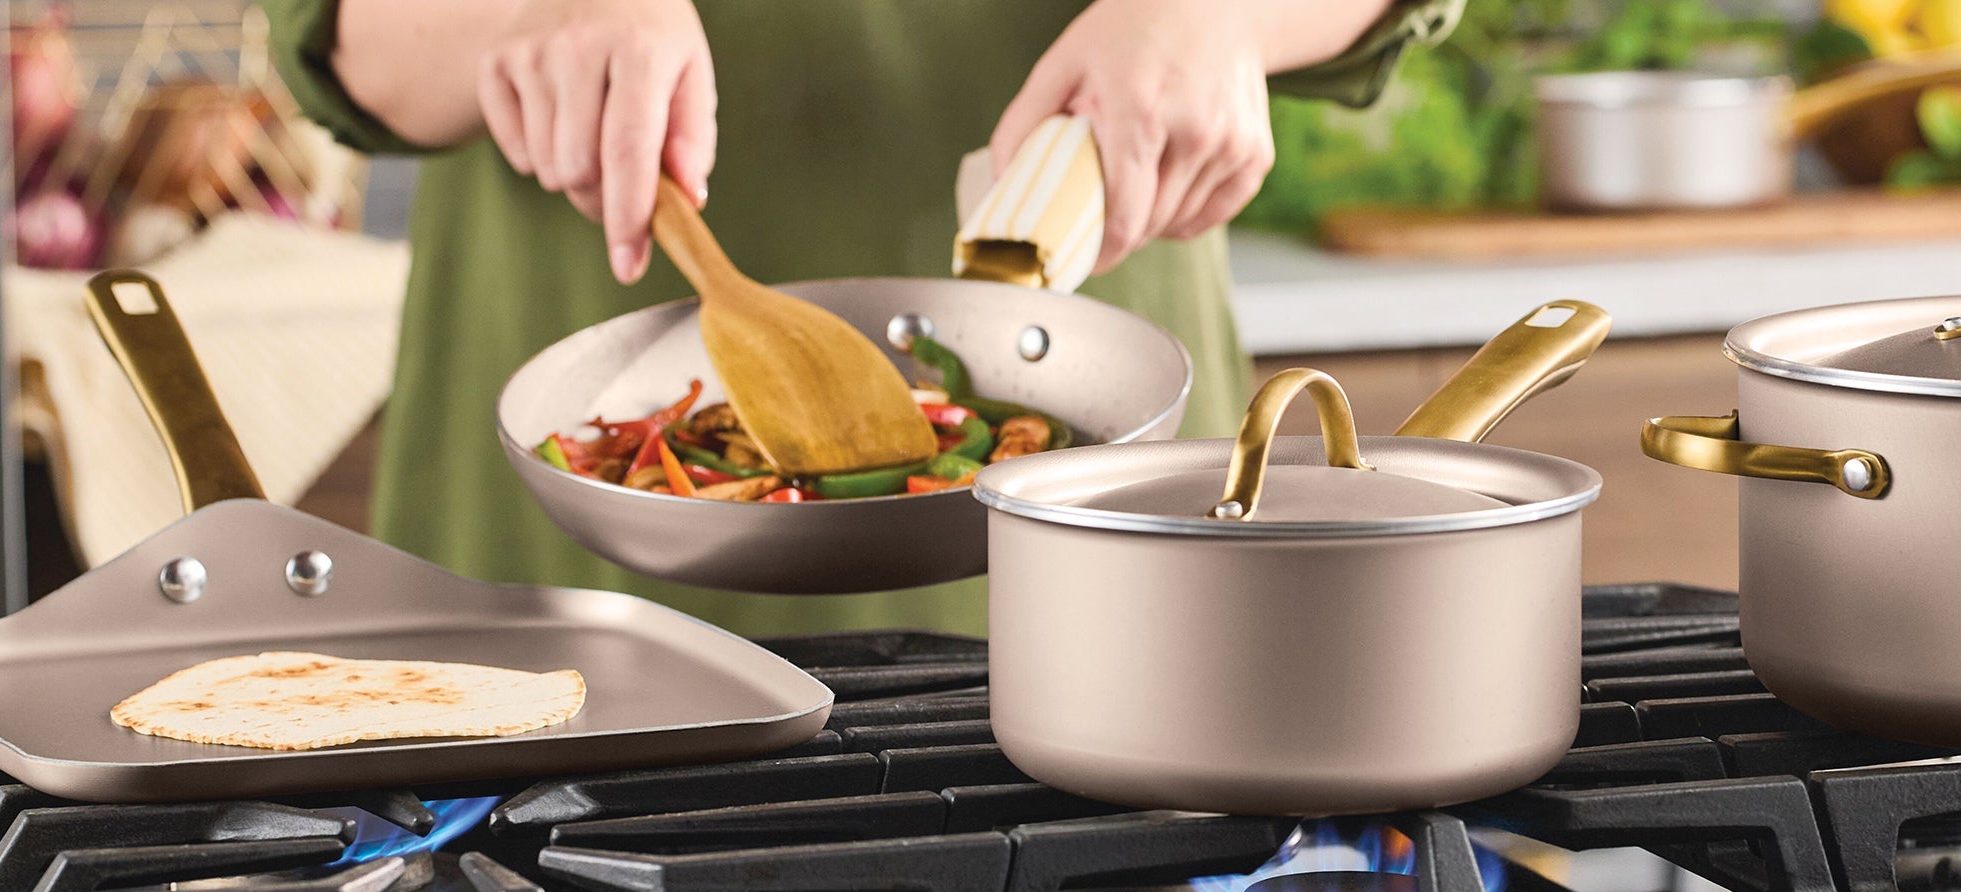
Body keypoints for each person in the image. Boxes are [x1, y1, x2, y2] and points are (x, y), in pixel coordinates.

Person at [257, 0, 1457, 634]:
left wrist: (1225, 14)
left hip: (1095, 494)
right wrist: (517, 12)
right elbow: (330, 30)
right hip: (568, 535)